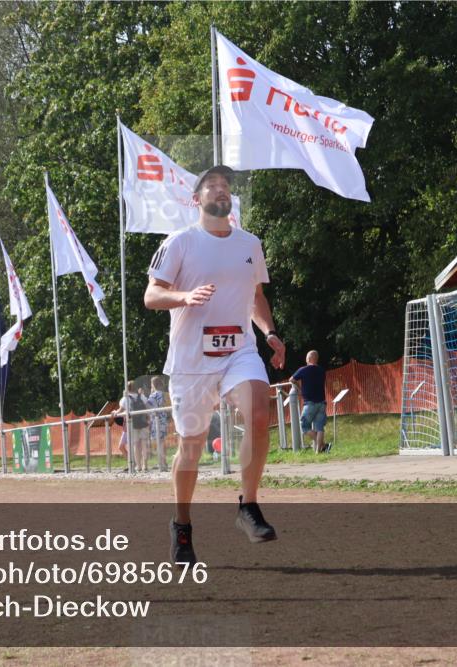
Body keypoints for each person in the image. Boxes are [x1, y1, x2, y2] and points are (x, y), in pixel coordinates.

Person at [144, 165, 286, 565]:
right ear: (197, 200)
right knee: (191, 446)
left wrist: (270, 333)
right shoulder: (179, 243)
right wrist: (185, 297)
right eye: (212, 186)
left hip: (240, 349)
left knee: (259, 409)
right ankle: (182, 526)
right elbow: (151, 295)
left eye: (225, 186)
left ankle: (248, 506)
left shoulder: (249, 244)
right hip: (192, 360)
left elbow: (254, 296)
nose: (221, 190)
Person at [290, 350, 330, 453]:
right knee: (319, 427)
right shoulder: (322, 370)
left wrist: (299, 388)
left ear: (308, 359)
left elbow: (292, 379)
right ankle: (319, 451)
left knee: (304, 425)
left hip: (310, 403)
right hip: (321, 402)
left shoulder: (303, 370)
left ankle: (323, 445)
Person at [117, 382, 151, 473]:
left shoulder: (125, 399)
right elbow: (147, 408)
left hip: (133, 424)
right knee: (144, 444)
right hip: (143, 422)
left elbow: (120, 410)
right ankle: (145, 465)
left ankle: (138, 466)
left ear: (127, 389)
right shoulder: (142, 397)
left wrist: (115, 412)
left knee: (136, 445)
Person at [148, 376, 171, 472]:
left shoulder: (153, 396)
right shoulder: (165, 395)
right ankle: (164, 462)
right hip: (164, 420)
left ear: (153, 385)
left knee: (158, 443)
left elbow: (148, 407)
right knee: (162, 442)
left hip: (156, 420)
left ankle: (161, 463)